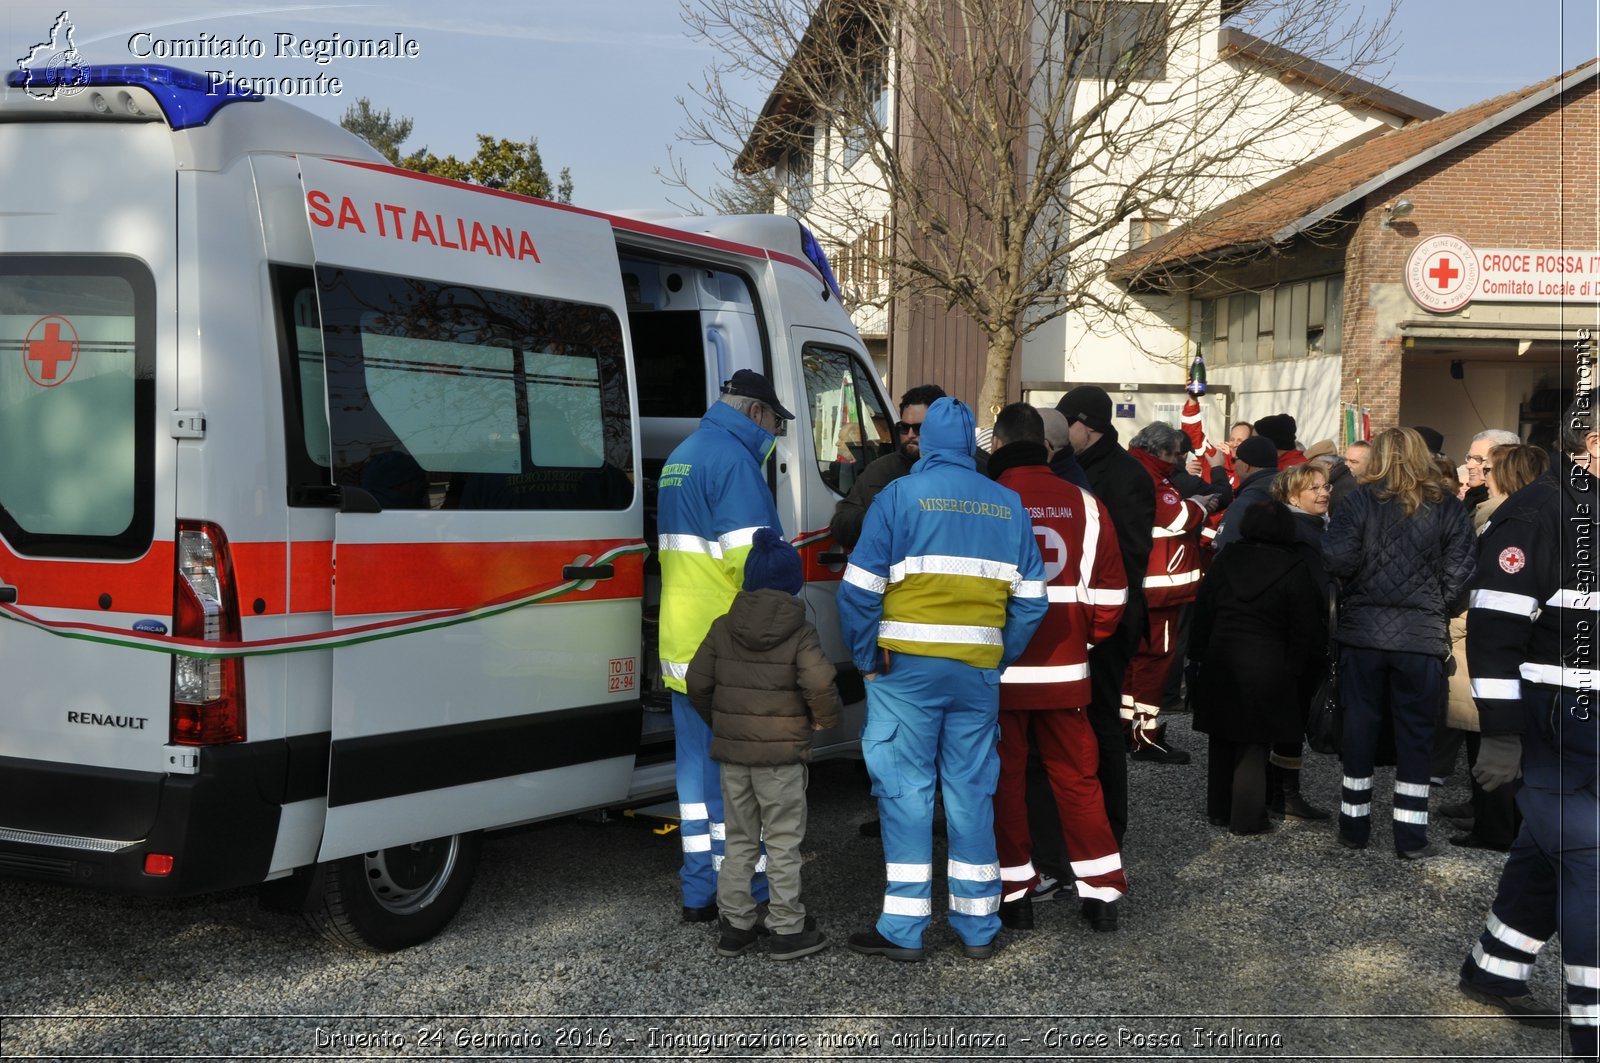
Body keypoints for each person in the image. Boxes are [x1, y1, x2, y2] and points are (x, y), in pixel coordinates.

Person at [839, 397, 1047, 962]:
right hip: (976, 675)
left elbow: (858, 592)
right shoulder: (1008, 505)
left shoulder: (899, 497)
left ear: (925, 442)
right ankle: (979, 925)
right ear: (971, 448)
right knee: (972, 794)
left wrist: (865, 656)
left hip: (904, 672)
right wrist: (998, 658)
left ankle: (904, 930)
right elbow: (1032, 602)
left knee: (906, 794)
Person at [1455, 391, 1598, 1058]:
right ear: (1591, 445)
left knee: (1551, 850)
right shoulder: (1542, 514)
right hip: (1556, 726)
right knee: (1591, 864)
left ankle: (1495, 968)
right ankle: (1591, 1020)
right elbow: (1493, 632)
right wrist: (1503, 733)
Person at [986, 403, 1129, 934]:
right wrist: (1082, 642)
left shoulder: (992, 503)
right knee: (1078, 780)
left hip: (1001, 671)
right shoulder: (1086, 504)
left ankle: (1016, 893)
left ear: (998, 445)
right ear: (1048, 447)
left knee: (1007, 782)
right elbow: (1113, 594)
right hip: (1066, 672)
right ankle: (1100, 895)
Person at [657, 369, 792, 922]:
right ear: (755, 413)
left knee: (694, 775)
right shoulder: (734, 462)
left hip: (682, 641)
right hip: (729, 647)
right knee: (741, 778)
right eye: (774, 422)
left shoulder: (681, 455)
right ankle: (750, 894)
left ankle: (699, 891)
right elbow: (754, 566)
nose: (773, 433)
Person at [687, 527, 840, 960]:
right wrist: (823, 720)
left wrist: (721, 723)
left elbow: (697, 682)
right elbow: (819, 680)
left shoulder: (723, 626)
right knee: (783, 842)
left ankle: (736, 924)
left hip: (735, 758)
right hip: (781, 758)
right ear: (793, 582)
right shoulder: (800, 629)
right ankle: (787, 928)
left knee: (739, 840)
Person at [1322, 427, 1475, 859]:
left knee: (1360, 729)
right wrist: (1430, 603)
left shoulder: (1356, 501)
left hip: (1363, 633)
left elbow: (1337, 559)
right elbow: (1462, 570)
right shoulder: (1447, 506)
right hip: (1421, 637)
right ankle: (1410, 837)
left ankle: (1354, 827)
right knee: (1417, 736)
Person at [1056, 386, 1154, 849]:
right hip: (1076, 617)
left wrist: (1101, 619)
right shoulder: (1070, 469)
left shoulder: (1125, 475)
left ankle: (1111, 828)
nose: (1056, 431)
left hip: (1109, 622)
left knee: (1101, 720)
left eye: (1064, 422)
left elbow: (1131, 561)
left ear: (1086, 426)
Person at [1191, 500, 1327, 834]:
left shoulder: (1226, 560)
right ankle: (1248, 818)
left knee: (1221, 738)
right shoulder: (1293, 567)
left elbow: (1203, 611)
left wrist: (1198, 654)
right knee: (1254, 744)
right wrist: (1297, 667)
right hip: (1269, 663)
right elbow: (1304, 626)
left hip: (1222, 655)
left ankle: (1219, 810)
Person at [1440, 443, 1548, 853]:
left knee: (1492, 733)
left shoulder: (1504, 519)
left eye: (1489, 466)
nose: (1481, 472)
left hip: (1487, 639)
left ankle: (1494, 826)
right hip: (1513, 647)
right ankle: (1494, 817)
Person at [1123, 421, 1218, 765]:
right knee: (1153, 664)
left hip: (1145, 588)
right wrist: (1200, 505)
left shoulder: (1131, 469)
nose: (1177, 461)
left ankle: (1126, 728)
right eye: (1175, 454)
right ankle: (1143, 736)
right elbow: (1177, 518)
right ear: (1161, 451)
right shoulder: (1151, 475)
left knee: (1133, 663)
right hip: (1160, 592)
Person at [1263, 462, 1335, 820]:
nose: (1324, 493)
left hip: (1293, 637)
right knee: (1291, 718)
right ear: (1292, 496)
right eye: (1314, 488)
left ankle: (1278, 790)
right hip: (1302, 638)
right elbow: (1320, 589)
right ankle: (1286, 794)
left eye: (1326, 487)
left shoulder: (1308, 527)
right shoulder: (1302, 532)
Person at [829, 384, 947, 551]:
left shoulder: (968, 471)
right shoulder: (878, 471)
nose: (911, 435)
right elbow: (841, 523)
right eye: (904, 428)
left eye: (919, 428)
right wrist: (877, 520)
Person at [1212, 435, 1278, 551]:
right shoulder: (1290, 490)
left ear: (1246, 466)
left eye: (1234, 460)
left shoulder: (1245, 503)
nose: (1234, 466)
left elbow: (1224, 550)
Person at [1460, 429, 1520, 516]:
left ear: (1504, 461)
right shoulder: (1471, 497)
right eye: (1469, 458)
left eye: (1478, 459)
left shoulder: (1509, 506)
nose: (1469, 465)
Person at [1330, 440, 1371, 508]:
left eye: (1353, 462)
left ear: (1370, 464)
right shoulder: (1345, 485)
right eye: (1345, 460)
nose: (1347, 464)